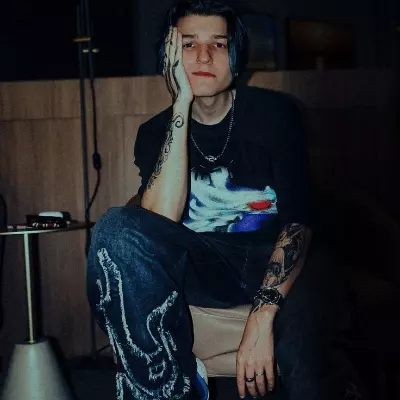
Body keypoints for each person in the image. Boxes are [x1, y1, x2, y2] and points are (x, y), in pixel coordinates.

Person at [86, 1, 366, 399]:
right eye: (188, 44)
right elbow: (158, 224)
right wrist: (180, 104)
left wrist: (263, 314)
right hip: (205, 263)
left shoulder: (275, 113)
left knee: (307, 344)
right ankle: (169, 387)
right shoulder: (154, 132)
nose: (203, 56)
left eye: (218, 44)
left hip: (274, 255)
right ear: (168, 54)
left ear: (235, 55)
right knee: (115, 229)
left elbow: (299, 220)